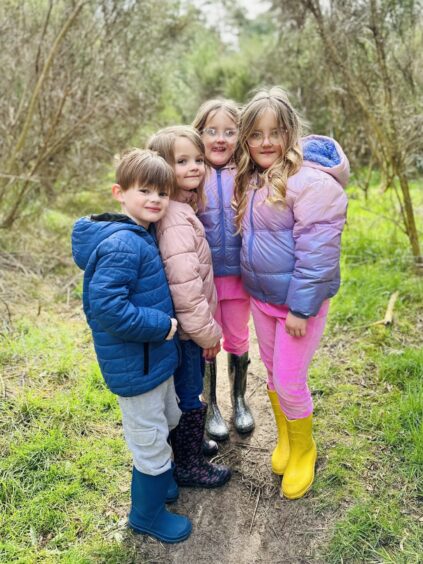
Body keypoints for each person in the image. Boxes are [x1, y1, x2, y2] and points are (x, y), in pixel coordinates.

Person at [233, 87, 349, 499]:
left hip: (300, 307)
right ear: (246, 138)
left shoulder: (312, 183)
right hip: (264, 300)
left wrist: (301, 308)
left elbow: (318, 254)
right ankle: (286, 439)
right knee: (272, 372)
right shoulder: (252, 178)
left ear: (292, 133)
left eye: (276, 132)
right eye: (256, 134)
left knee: (289, 379)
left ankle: (305, 449)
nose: (266, 142)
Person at [71, 149, 192, 543]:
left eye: (163, 192)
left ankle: (160, 483)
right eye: (145, 190)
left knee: (168, 418)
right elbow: (108, 309)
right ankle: (147, 514)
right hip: (136, 365)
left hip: (152, 361)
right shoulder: (124, 243)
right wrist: (162, 326)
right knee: (150, 441)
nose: (156, 199)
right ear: (119, 192)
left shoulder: (140, 233)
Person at [147, 126, 232, 488]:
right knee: (189, 394)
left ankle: (190, 447)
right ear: (162, 169)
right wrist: (207, 333)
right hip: (187, 331)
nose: (195, 166)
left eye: (198, 159)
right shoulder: (175, 220)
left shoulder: (181, 209)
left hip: (186, 327)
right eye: (182, 161)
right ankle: (188, 464)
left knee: (188, 389)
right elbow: (185, 287)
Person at [193, 99, 254, 441]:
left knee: (239, 337)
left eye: (229, 132)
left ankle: (239, 399)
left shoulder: (247, 173)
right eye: (211, 131)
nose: (220, 139)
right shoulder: (191, 173)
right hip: (203, 279)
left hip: (238, 276)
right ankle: (211, 405)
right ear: (198, 133)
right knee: (207, 341)